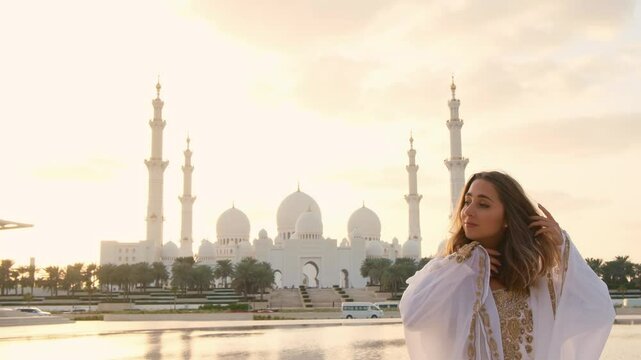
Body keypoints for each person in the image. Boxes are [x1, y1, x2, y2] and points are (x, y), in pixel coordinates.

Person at [399, 171, 614, 360]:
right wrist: (463, 265)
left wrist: (562, 246)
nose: (468, 212)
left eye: (483, 204)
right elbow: (412, 316)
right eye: (467, 201)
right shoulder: (452, 273)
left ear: (507, 218)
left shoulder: (535, 278)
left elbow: (597, 310)